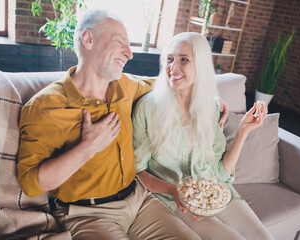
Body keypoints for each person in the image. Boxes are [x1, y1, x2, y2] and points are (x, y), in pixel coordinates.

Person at [17, 9, 207, 240]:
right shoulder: (44, 107)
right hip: (87, 213)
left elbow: (166, 84)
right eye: (120, 43)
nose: (129, 53)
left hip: (139, 200)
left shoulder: (125, 85)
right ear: (88, 39)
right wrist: (87, 147)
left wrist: (210, 99)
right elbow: (30, 184)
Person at [133, 32, 275, 240]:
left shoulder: (209, 107)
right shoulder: (147, 108)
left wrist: (243, 131)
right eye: (170, 59)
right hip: (175, 200)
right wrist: (175, 191)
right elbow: (138, 171)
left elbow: (220, 173)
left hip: (215, 191)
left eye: (184, 59)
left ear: (201, 66)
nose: (173, 67)